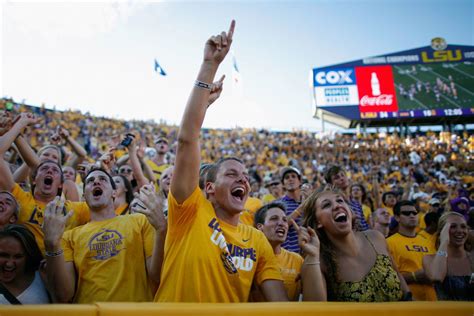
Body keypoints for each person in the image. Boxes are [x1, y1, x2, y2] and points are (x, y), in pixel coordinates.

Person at [155, 21, 287, 302]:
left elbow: (280, 306)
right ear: (210, 188)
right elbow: (187, 140)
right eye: (232, 174)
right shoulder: (189, 212)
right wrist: (209, 65)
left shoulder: (257, 240)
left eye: (245, 176)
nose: (243, 179)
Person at [42, 170, 166, 303]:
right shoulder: (68, 237)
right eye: (90, 181)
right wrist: (52, 246)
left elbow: (156, 275)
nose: (96, 181)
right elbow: (64, 295)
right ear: (84, 196)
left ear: (114, 193)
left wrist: (161, 229)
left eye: (103, 179)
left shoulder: (140, 221)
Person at [295, 185, 409, 301]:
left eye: (340, 200)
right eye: (326, 205)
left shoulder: (376, 237)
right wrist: (313, 257)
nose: (337, 205)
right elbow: (315, 312)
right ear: (318, 222)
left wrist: (410, 299)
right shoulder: (318, 263)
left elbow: (399, 278)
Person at [0, 114, 89, 254]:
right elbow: (33, 163)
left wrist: (92, 178)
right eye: (45, 167)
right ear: (34, 179)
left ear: (61, 183)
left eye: (55, 166)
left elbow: (105, 210)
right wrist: (17, 126)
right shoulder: (20, 198)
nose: (50, 166)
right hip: (24, 267)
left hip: (59, 269)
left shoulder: (74, 209)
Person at [386, 200, 437, 301]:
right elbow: (387, 279)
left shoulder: (428, 242)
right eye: (406, 213)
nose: (412, 215)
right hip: (407, 303)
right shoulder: (388, 243)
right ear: (397, 217)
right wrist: (414, 276)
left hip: (432, 302)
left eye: (414, 213)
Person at [254, 202, 303, 301]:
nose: (281, 223)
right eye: (274, 218)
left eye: (284, 220)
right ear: (260, 227)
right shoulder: (249, 259)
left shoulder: (297, 260)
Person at [423, 212, 474, 301]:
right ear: (442, 232)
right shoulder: (430, 259)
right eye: (452, 226)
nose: (460, 231)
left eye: (463, 227)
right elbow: (437, 276)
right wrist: (444, 241)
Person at [0, 225, 50, 304]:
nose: (9, 264)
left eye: (18, 257)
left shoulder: (42, 278)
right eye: (3, 255)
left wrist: (50, 286)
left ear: (28, 257)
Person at [325, 166, 370, 231]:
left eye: (343, 175)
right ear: (331, 184)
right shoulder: (334, 205)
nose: (342, 178)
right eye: (337, 177)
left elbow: (365, 226)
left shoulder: (356, 202)